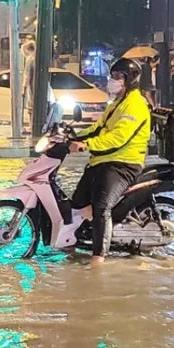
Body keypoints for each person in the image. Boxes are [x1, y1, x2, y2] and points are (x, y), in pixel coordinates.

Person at [69, 58, 152, 265]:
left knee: (101, 207)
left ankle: (98, 259)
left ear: (129, 80)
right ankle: (78, 241)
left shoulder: (135, 105)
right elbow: (98, 128)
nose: (112, 81)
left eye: (117, 77)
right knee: (78, 202)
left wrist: (87, 145)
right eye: (112, 76)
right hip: (103, 161)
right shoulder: (117, 103)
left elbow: (117, 139)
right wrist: (73, 136)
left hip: (122, 164)